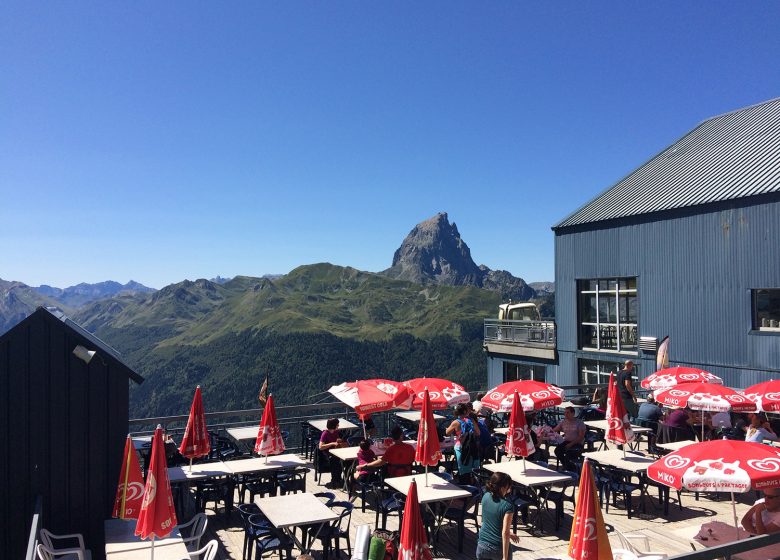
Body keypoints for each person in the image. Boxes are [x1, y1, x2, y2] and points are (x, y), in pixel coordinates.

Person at [476, 471, 520, 560]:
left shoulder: (485, 496)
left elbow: (487, 521)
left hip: (481, 546)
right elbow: (505, 533)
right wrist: (505, 557)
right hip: (497, 548)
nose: (510, 489)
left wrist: (510, 534)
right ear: (502, 488)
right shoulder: (508, 506)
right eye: (508, 486)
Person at [446, 403, 482, 483]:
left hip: (460, 447)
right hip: (472, 446)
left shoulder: (455, 422)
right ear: (465, 411)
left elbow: (447, 433)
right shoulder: (471, 420)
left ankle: (464, 486)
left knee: (463, 470)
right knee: (473, 470)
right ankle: (474, 486)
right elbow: (478, 433)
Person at [552, 407, 585, 471]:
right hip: (566, 441)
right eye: (565, 413)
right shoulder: (563, 422)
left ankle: (569, 468)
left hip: (577, 442)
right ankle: (567, 466)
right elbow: (554, 429)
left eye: (568, 413)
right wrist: (546, 431)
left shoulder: (579, 423)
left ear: (573, 413)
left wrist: (571, 444)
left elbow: (581, 437)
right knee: (557, 451)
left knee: (569, 453)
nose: (565, 414)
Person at [318, 418, 346, 488]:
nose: (338, 426)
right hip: (327, 454)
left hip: (336, 451)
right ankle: (335, 480)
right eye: (337, 425)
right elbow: (320, 447)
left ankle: (342, 479)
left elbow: (337, 441)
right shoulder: (325, 433)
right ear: (333, 426)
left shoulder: (336, 432)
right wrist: (332, 444)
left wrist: (339, 441)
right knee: (336, 461)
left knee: (348, 462)